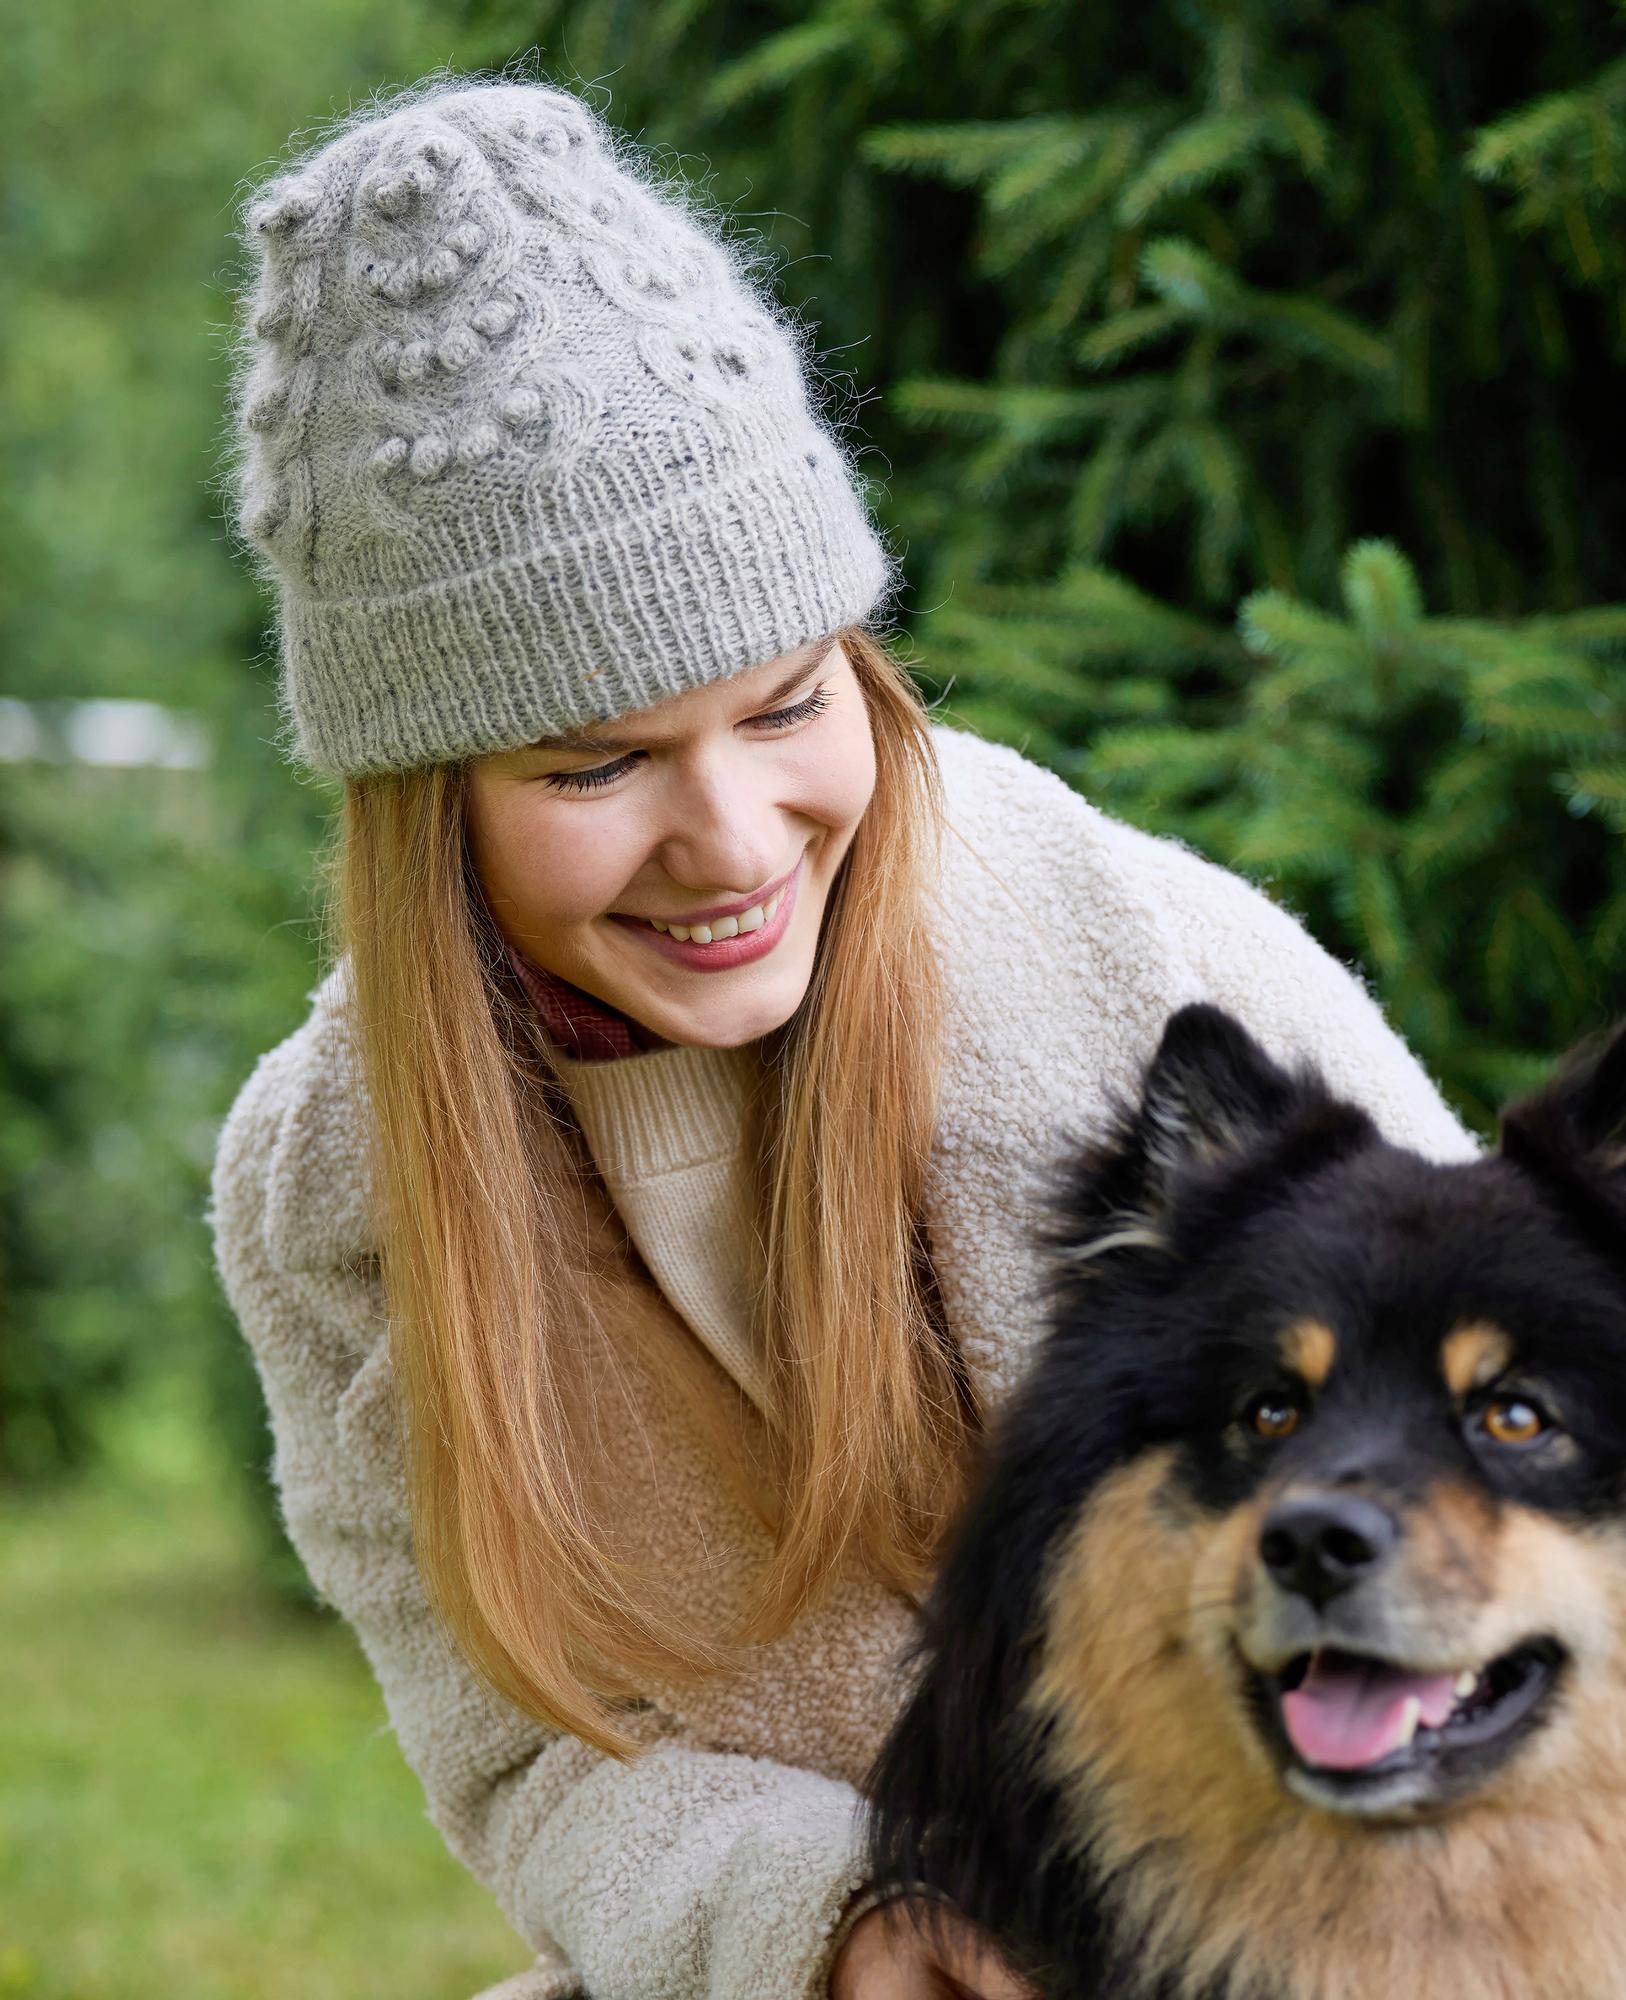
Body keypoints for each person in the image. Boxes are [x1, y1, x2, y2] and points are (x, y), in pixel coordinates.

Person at [210, 70, 1477, 2000]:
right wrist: (841, 1915)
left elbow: (1508, 1529)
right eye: (596, 761)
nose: (731, 842)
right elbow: (533, 1762)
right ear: (426, 798)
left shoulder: (1137, 967)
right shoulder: (330, 1195)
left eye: (791, 704)